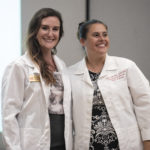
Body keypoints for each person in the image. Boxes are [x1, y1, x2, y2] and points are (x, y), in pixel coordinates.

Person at [68, 19, 150, 150]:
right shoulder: (70, 74)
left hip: (127, 145)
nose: (102, 39)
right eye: (96, 35)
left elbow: (146, 104)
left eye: (105, 34)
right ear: (82, 41)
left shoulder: (126, 66)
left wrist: (148, 141)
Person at [1, 8, 73, 150]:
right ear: (35, 31)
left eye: (55, 29)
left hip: (63, 144)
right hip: (33, 144)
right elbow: (8, 116)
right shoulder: (19, 66)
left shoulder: (62, 65)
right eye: (45, 28)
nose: (50, 34)